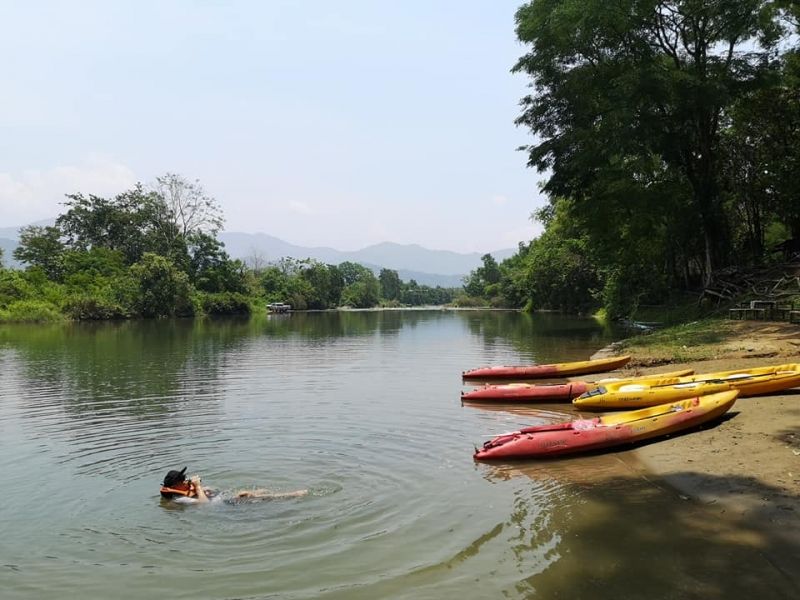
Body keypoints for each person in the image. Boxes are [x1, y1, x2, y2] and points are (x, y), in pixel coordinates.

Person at [159, 467, 307, 504]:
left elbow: (210, 490)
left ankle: (275, 493)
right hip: (225, 506)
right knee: (251, 496)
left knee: (249, 492)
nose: (185, 481)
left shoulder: (183, 491)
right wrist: (197, 487)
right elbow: (203, 504)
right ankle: (292, 495)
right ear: (176, 485)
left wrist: (201, 487)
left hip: (223, 498)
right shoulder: (179, 499)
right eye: (182, 480)